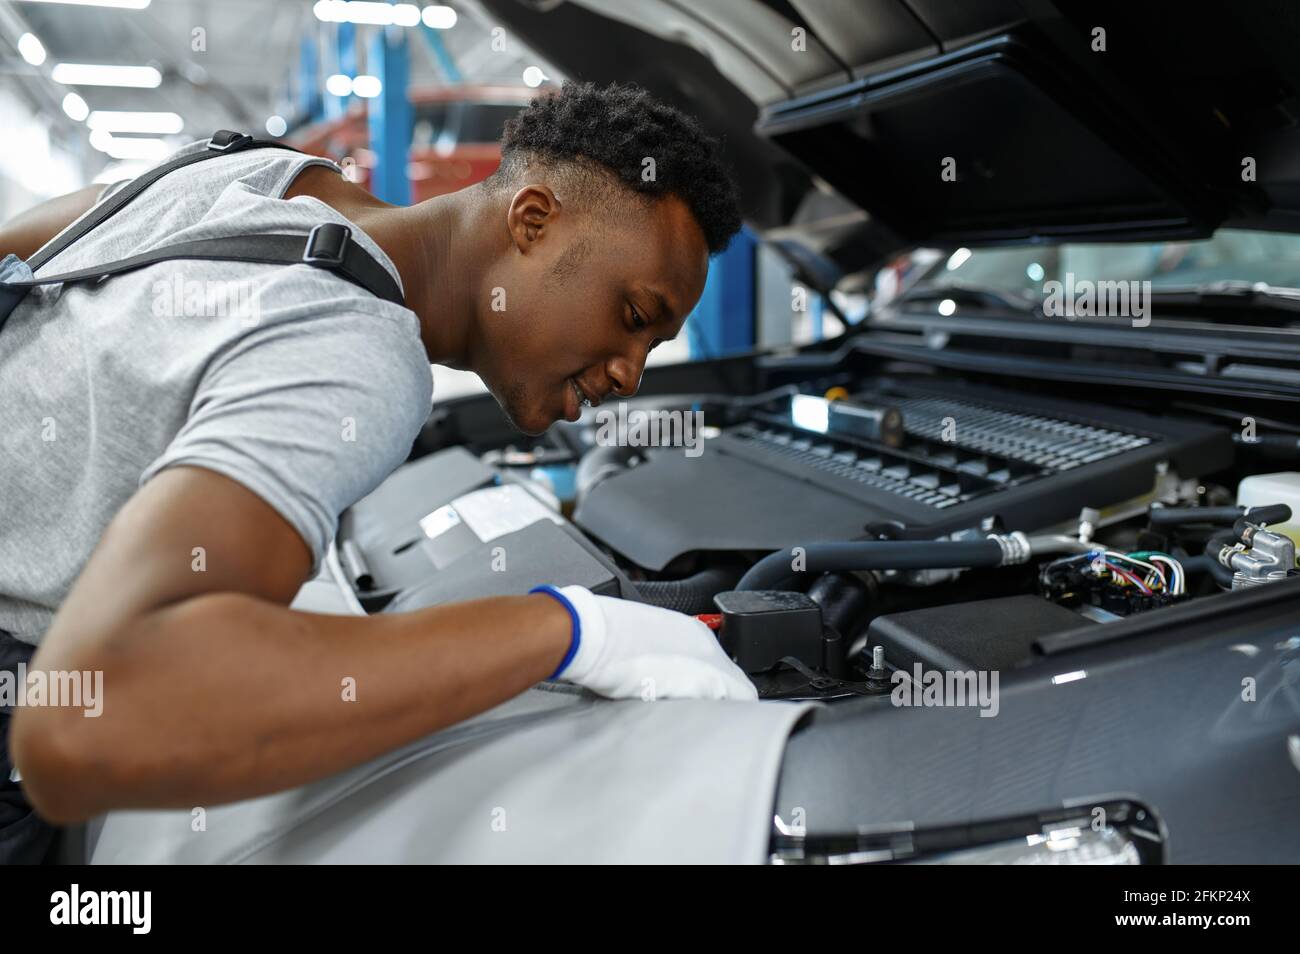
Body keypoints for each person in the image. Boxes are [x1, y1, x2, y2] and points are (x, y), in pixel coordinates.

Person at [0, 81, 754, 860]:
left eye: (654, 350)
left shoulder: (254, 170)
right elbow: (83, 728)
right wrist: (575, 632)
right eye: (634, 317)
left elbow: (16, 261)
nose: (633, 375)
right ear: (532, 220)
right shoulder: (360, 347)